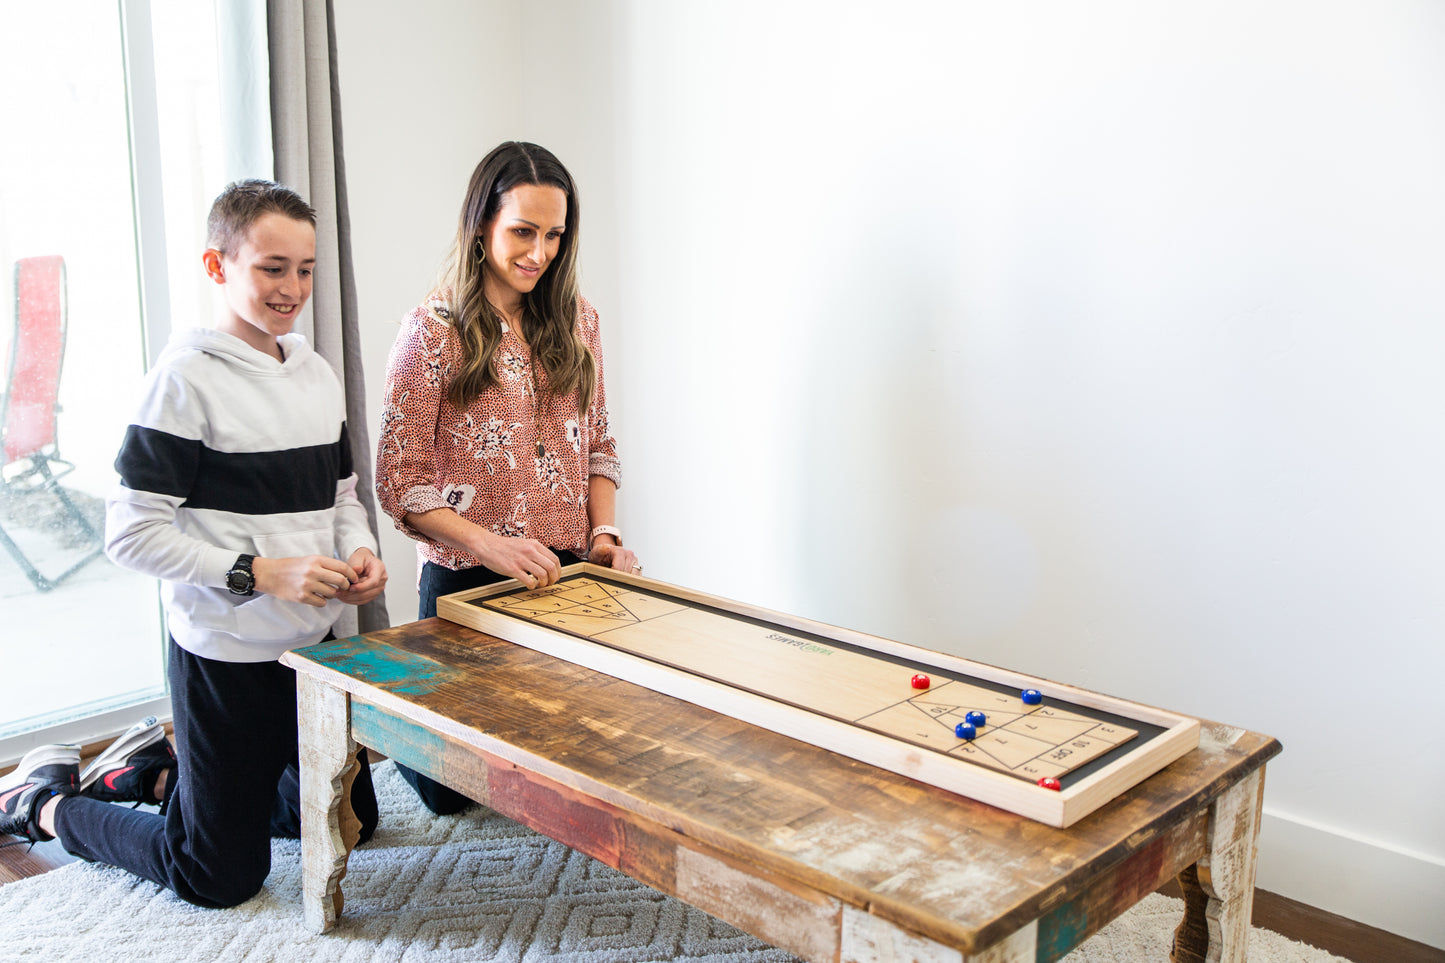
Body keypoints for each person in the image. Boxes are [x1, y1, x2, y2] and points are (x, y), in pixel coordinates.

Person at [0, 180, 387, 908]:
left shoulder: (315, 372)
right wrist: (259, 571)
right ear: (219, 267)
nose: (292, 287)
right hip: (226, 655)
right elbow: (130, 532)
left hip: (314, 651)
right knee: (218, 876)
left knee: (352, 825)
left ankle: (156, 776)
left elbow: (341, 496)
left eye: (305, 268)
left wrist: (360, 549)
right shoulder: (182, 381)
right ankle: (44, 804)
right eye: (272, 267)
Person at [375, 141, 639, 814]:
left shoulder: (580, 320)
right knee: (449, 796)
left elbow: (599, 444)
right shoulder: (430, 333)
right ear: (482, 225)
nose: (540, 252)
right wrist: (490, 544)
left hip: (566, 573)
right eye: (523, 231)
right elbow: (399, 484)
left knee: (567, 764)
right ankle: (400, 718)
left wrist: (604, 534)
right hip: (467, 580)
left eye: (554, 234)